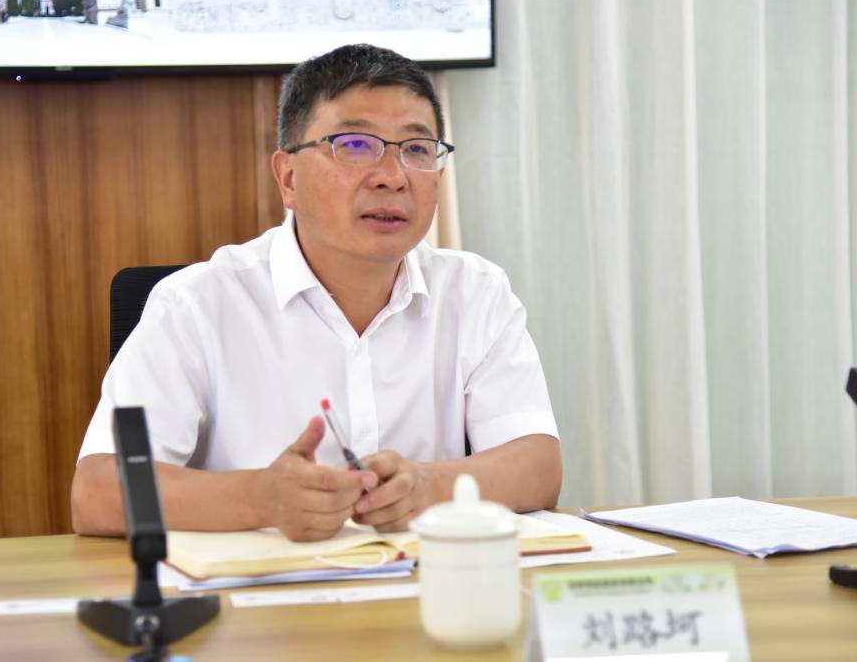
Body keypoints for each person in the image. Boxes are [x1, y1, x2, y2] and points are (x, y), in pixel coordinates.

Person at [71, 43, 562, 542]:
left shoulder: (475, 292)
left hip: (425, 584)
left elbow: (538, 467)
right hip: (260, 588)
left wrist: (427, 487)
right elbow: (98, 494)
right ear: (288, 178)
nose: (392, 178)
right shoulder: (196, 304)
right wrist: (261, 498)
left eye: (416, 149)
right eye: (355, 145)